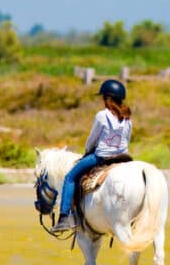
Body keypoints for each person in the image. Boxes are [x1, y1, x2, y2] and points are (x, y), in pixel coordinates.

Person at [50, 79, 132, 234]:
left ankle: (64, 217)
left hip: (102, 157)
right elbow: (127, 139)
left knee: (70, 177)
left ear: (107, 98)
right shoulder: (127, 117)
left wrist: (87, 150)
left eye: (103, 97)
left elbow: (92, 139)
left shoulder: (102, 115)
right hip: (123, 157)